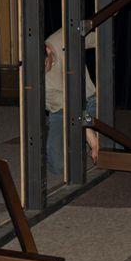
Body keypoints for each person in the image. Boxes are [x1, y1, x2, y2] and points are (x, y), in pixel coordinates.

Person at [44, 27, 100, 175]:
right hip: (61, 111)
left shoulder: (63, 39)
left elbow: (98, 38)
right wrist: (92, 139)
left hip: (88, 101)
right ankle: (78, 138)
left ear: (47, 49)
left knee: (110, 150)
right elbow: (71, 108)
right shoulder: (42, 84)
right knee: (58, 166)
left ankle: (80, 138)